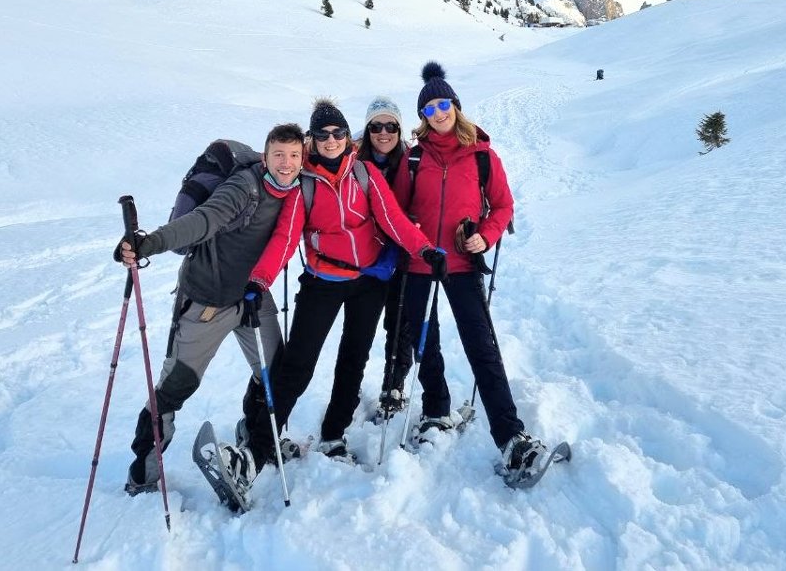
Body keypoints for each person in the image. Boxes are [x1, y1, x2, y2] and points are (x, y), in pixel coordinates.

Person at [220, 98, 445, 484]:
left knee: (353, 359)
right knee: (298, 365)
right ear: (312, 139)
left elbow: (392, 220)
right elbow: (285, 239)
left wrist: (422, 248)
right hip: (322, 283)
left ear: (347, 136)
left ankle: (334, 434)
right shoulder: (303, 184)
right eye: (322, 134)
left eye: (338, 132)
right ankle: (257, 451)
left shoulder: (365, 173)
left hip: (368, 283)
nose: (331, 140)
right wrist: (260, 280)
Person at [116, 123, 306, 495]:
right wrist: (149, 243)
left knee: (273, 373)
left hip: (252, 295)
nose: (286, 164)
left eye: (294, 156)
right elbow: (203, 221)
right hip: (206, 300)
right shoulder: (244, 188)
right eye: (279, 155)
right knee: (175, 387)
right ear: (265, 156)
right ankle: (144, 474)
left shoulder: (297, 189)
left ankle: (258, 438)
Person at [402, 61, 547, 475]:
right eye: (428, 109)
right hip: (420, 261)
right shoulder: (413, 158)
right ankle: (435, 410)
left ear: (456, 106)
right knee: (425, 342)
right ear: (423, 117)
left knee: (481, 347)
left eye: (442, 104)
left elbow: (503, 205)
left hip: (464, 262)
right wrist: (412, 229)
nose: (438, 113)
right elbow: (395, 208)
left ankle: (510, 436)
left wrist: (486, 235)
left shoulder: (482, 156)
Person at [354, 96, 415, 420]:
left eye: (390, 125)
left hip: (400, 256)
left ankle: (394, 385)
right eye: (376, 126)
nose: (383, 132)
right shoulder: (352, 159)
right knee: (359, 329)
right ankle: (348, 390)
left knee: (399, 322)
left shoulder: (411, 160)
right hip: (364, 258)